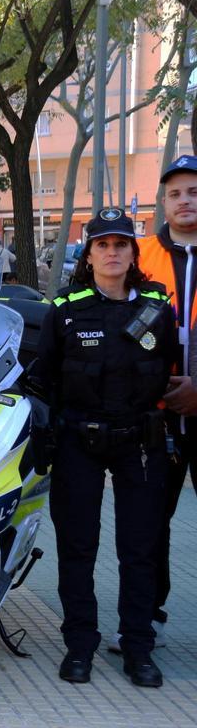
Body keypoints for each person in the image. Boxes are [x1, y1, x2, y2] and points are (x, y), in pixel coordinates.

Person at [38, 208, 175, 688]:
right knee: (78, 548)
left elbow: (170, 372)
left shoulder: (159, 307)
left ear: (134, 253)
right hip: (79, 441)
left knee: (139, 549)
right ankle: (80, 645)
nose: (112, 252)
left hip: (141, 442)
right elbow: (43, 379)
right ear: (88, 253)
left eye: (121, 244)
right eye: (103, 244)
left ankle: (138, 647)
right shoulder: (66, 309)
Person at [137, 154, 197, 652]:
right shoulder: (138, 255)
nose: (184, 201)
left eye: (193, 192)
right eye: (175, 193)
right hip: (155, 413)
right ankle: (144, 616)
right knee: (149, 517)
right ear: (163, 201)